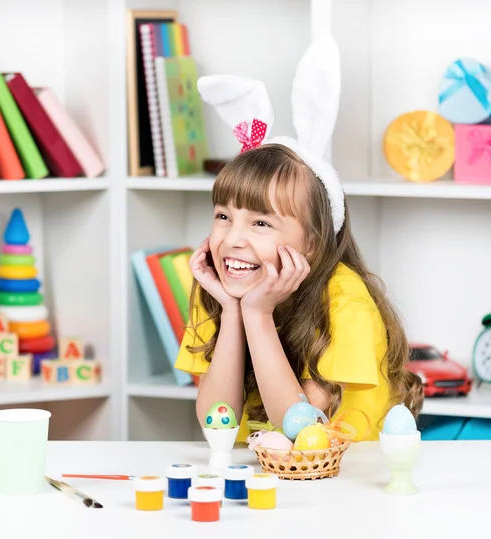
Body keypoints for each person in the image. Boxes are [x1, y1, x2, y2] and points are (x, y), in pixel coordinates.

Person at [174, 32, 423, 443]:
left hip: (341, 480)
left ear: (311, 243)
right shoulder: (219, 291)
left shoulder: (345, 301)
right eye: (223, 216)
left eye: (261, 223)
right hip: (270, 476)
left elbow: (301, 431)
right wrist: (234, 313)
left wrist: (257, 314)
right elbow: (217, 422)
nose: (233, 239)